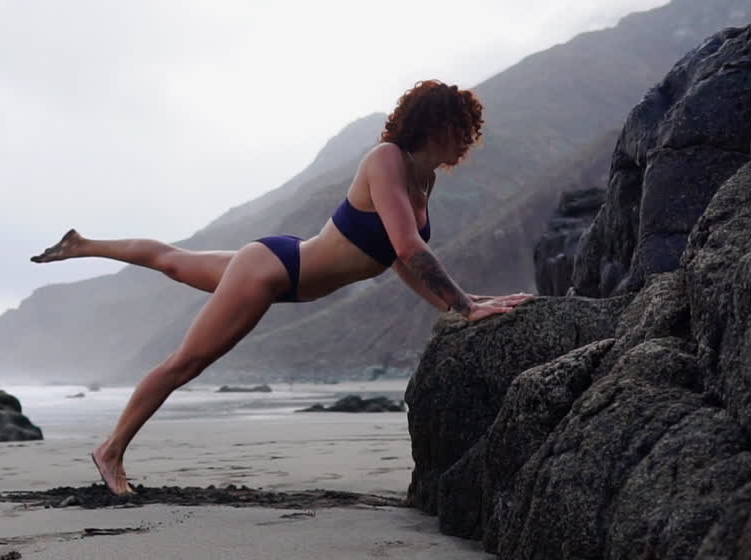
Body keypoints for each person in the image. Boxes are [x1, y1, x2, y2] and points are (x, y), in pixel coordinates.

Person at [30, 80, 533, 495]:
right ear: (435, 125)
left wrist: (459, 304)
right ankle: (110, 450)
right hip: (272, 272)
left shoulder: (425, 181)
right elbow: (407, 247)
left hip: (282, 261)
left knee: (174, 262)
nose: (469, 139)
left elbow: (398, 258)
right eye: (462, 128)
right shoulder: (386, 160)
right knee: (186, 362)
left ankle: (83, 244)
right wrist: (463, 305)